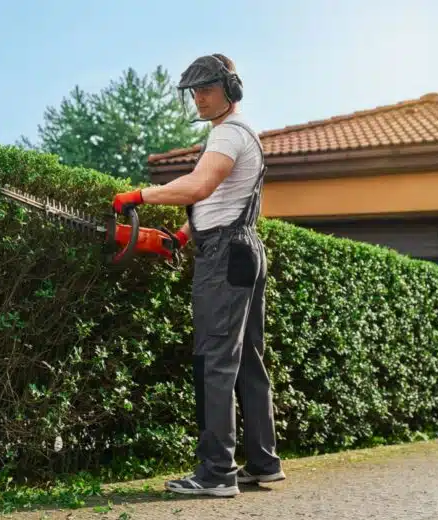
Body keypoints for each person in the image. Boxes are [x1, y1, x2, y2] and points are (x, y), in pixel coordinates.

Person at [112, 53, 284, 497]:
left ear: (231, 89)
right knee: (246, 358)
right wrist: (184, 237)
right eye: (194, 91)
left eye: (206, 89)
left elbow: (200, 186)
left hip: (227, 254)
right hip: (240, 246)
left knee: (213, 359)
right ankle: (263, 464)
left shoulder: (228, 134)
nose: (198, 98)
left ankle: (216, 473)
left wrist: (139, 195)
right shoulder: (236, 135)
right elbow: (219, 199)